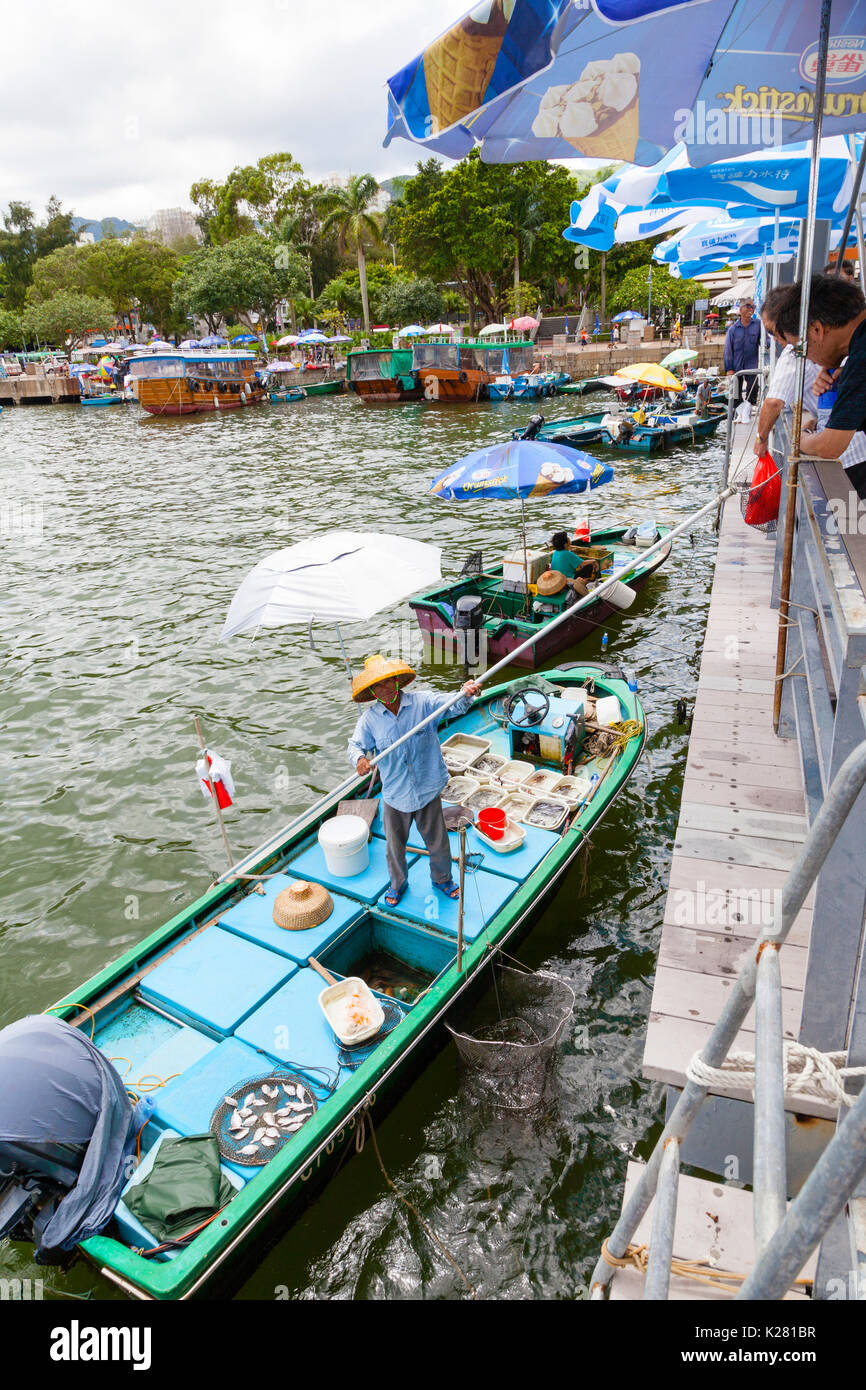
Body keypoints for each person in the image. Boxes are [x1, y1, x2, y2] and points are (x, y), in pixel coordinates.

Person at [347, 655, 482, 907]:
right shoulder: (369, 720)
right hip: (396, 794)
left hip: (427, 787)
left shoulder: (422, 702)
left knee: (438, 841)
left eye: (388, 682)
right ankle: (398, 884)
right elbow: (355, 746)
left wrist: (466, 693)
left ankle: (442, 879)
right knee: (394, 847)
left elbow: (453, 704)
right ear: (372, 692)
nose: (385, 689)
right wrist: (359, 760)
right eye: (378, 686)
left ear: (397, 681)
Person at [775, 275, 866, 498]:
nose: (810, 360)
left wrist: (801, 439)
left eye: (800, 350)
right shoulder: (855, 356)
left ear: (817, 330)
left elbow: (829, 446)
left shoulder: (861, 359)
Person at [723, 297, 761, 404]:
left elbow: (765, 341)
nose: (751, 309)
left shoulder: (758, 325)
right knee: (735, 395)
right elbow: (727, 350)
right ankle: (738, 412)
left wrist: (771, 345)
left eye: (753, 307)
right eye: (748, 306)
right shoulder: (733, 330)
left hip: (751, 365)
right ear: (740, 309)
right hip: (736, 367)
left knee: (753, 388)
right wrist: (729, 369)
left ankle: (748, 408)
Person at [550, 530, 599, 595]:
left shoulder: (555, 552)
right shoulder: (568, 554)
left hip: (557, 578)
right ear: (565, 544)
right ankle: (583, 583)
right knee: (589, 566)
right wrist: (594, 561)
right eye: (568, 538)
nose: (569, 539)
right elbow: (582, 564)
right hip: (567, 579)